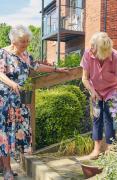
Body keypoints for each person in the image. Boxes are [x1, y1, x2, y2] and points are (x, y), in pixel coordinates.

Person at [0, 25, 68, 180]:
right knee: (6, 133)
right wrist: (12, 84)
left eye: (27, 41)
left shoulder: (25, 55)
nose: (26, 44)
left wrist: (57, 69)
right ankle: (7, 170)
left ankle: (5, 165)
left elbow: (37, 66)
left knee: (18, 132)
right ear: (14, 41)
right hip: (6, 100)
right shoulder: (3, 53)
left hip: (21, 100)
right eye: (22, 42)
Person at [80, 32, 117, 159]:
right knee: (97, 118)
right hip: (95, 90)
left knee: (108, 117)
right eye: (91, 45)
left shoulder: (116, 57)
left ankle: (110, 148)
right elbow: (85, 78)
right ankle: (96, 150)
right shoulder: (87, 54)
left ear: (102, 51)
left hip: (111, 90)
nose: (91, 48)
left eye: (94, 46)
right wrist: (92, 91)